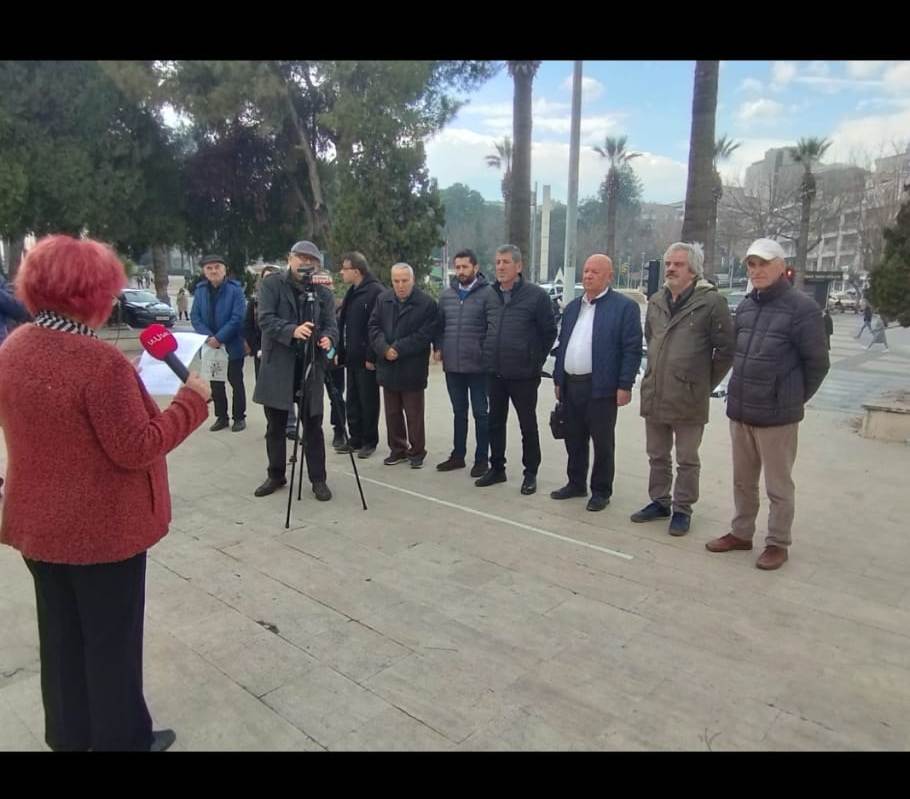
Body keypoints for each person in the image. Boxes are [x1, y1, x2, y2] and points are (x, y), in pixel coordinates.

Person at [0, 234, 211, 751]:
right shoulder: (100, 364)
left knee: (62, 640)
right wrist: (191, 403)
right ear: (90, 293)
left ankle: (69, 736)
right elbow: (136, 447)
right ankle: (123, 740)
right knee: (111, 645)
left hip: (39, 529)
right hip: (102, 533)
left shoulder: (14, 347)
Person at [706, 238, 830, 570]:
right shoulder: (746, 306)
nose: (757, 270)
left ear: (780, 265)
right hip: (742, 410)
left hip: (778, 417)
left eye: (764, 264)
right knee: (743, 481)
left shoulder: (802, 309)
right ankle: (741, 533)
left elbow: (818, 363)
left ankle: (777, 542)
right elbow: (736, 353)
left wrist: (791, 399)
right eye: (752, 265)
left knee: (778, 485)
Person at [631, 242, 734, 534]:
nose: (671, 269)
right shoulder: (655, 301)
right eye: (668, 264)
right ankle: (660, 501)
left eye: (678, 264)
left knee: (687, 458)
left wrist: (702, 383)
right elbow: (651, 338)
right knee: (657, 454)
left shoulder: (711, 303)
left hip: (689, 397)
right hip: (656, 391)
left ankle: (682, 508)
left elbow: (726, 351)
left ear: (693, 270)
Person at [551, 254, 642, 511]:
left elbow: (631, 349)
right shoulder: (572, 308)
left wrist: (625, 385)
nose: (588, 275)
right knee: (574, 438)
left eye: (595, 272)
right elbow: (563, 345)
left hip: (601, 387)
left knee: (602, 442)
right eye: (586, 270)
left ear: (609, 277)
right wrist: (559, 379)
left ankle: (601, 491)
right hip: (571, 385)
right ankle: (576, 482)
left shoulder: (623, 308)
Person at [252, 241, 337, 501]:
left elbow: (331, 325)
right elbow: (265, 319)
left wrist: (328, 339)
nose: (305, 263)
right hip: (279, 364)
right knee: (276, 425)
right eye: (300, 257)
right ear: (290, 258)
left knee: (313, 424)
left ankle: (318, 479)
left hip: (310, 364)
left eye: (311, 259)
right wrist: (292, 331)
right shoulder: (271, 284)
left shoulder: (323, 293)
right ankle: (276, 474)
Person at [476, 244, 557, 496]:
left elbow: (549, 332)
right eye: (498, 262)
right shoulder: (489, 295)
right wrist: (486, 353)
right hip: (494, 372)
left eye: (506, 262)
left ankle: (530, 472)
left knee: (527, 424)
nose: (500, 267)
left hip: (524, 374)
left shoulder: (536, 296)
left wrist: (534, 360)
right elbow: (482, 329)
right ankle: (497, 468)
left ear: (518, 266)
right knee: (495, 423)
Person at [433, 248, 496, 477]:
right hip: (453, 366)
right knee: (459, 412)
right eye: (457, 267)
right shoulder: (447, 295)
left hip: (478, 367)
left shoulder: (488, 294)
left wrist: (485, 354)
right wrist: (438, 347)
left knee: (481, 413)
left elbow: (492, 328)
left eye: (465, 267)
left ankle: (482, 459)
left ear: (475, 268)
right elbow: (438, 326)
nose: (460, 271)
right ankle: (458, 455)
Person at [368, 263, 438, 469]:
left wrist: (398, 348)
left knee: (414, 414)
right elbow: (373, 327)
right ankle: (397, 449)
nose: (400, 285)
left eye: (404, 280)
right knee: (392, 413)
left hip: (412, 368)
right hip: (387, 366)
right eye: (396, 281)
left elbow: (425, 335)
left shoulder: (426, 304)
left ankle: (416, 452)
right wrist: (383, 348)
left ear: (413, 280)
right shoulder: (383, 300)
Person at [190, 255, 247, 432]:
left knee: (235, 381)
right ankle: (221, 417)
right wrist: (209, 338)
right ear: (204, 271)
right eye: (209, 268)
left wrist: (220, 338)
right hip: (209, 346)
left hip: (231, 345)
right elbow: (195, 317)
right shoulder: (200, 291)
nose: (213, 271)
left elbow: (237, 318)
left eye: (217, 267)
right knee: (216, 383)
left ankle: (239, 417)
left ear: (224, 269)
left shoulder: (235, 290)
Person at [336, 251, 384, 459]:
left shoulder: (375, 292)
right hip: (351, 357)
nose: (341, 272)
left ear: (356, 271)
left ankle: (369, 440)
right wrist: (340, 350)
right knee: (353, 399)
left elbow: (378, 327)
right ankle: (355, 437)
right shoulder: (352, 292)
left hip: (367, 358)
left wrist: (372, 355)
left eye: (344, 269)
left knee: (368, 400)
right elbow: (344, 323)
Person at [243, 265, 281, 382]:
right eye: (265, 278)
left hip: (281, 354)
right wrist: (257, 349)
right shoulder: (254, 302)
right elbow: (248, 327)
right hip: (261, 352)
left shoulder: (285, 300)